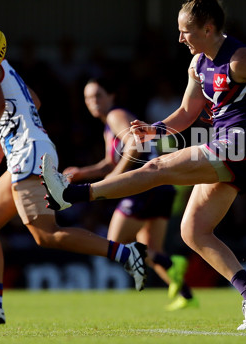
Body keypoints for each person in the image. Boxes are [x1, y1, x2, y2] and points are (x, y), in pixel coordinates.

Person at [40, 0, 246, 330]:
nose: (181, 39)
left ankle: (71, 194)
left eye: (185, 32)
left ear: (208, 29)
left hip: (241, 144)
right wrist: (155, 129)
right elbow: (186, 113)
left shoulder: (243, 59)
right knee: (193, 231)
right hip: (227, 147)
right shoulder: (198, 63)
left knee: (157, 166)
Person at [0, 10, 148, 326]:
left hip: (28, 153)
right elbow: (34, 101)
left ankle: (126, 254)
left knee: (47, 236)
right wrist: (4, 139)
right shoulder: (0, 65)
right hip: (26, 150)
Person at [62, 77, 196, 310]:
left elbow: (135, 144)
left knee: (116, 242)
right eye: (87, 98)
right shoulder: (109, 124)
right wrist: (82, 173)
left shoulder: (115, 115)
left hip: (142, 186)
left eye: (97, 96)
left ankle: (172, 263)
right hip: (160, 186)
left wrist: (115, 180)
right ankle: (186, 295)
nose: (92, 102)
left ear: (111, 97)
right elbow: (109, 162)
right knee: (151, 249)